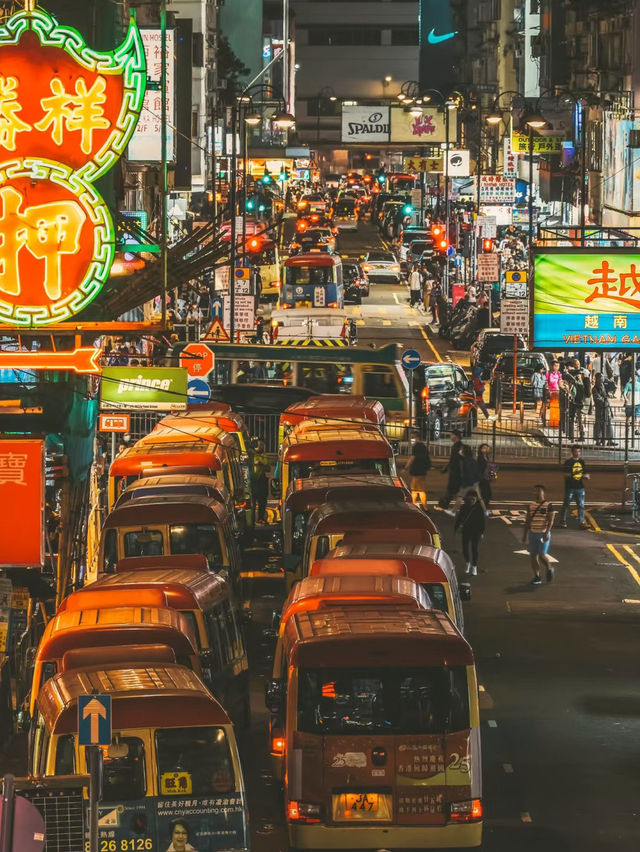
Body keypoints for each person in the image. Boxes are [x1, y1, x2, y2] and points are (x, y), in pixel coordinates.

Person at [523, 484, 556, 585]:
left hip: (543, 534)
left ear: (543, 493)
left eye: (538, 491)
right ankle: (537, 576)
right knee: (533, 555)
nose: (536, 493)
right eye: (535, 491)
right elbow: (527, 521)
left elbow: (551, 521)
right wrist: (525, 535)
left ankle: (549, 567)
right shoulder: (530, 506)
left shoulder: (549, 506)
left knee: (542, 555)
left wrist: (546, 533)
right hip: (533, 533)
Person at [454, 490, 486, 576]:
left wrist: (482, 532)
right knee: (465, 548)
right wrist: (456, 528)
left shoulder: (478, 508)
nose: (472, 500)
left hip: (475, 531)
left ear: (476, 499)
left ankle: (474, 566)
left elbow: (482, 521)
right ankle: (468, 562)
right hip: (466, 530)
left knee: (474, 549)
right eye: (470, 498)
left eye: (473, 498)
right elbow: (459, 518)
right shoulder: (464, 507)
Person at [559, 444, 590, 529]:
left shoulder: (582, 462)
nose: (578, 453)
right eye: (576, 451)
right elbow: (565, 475)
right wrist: (575, 474)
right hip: (570, 487)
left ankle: (581, 522)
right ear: (572, 452)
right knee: (566, 504)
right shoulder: (568, 462)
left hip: (580, 487)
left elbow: (586, 473)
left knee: (581, 505)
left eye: (579, 451)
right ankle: (563, 521)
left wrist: (586, 476)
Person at [440, 430, 463, 511]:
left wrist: (447, 468)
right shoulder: (457, 445)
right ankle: (445, 504)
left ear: (455, 436)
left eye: (451, 435)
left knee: (453, 489)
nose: (450, 437)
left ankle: (444, 504)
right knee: (454, 489)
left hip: (456, 471)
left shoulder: (458, 446)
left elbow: (456, 460)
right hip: (455, 470)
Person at [402, 441, 431, 507]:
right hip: (423, 471)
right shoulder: (424, 448)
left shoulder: (416, 447)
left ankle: (419, 506)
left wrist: (405, 468)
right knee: (420, 490)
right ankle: (423, 506)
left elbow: (411, 459)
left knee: (415, 490)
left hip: (417, 471)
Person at [592, 372, 615, 446]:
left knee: (608, 424)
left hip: (606, 408)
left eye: (603, 377)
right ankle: (598, 440)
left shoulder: (604, 385)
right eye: (601, 377)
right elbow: (597, 398)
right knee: (599, 424)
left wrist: (610, 381)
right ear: (597, 378)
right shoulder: (595, 388)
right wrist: (604, 401)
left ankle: (609, 440)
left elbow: (614, 387)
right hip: (600, 409)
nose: (602, 378)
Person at [251, 440, 270, 524]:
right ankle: (253, 519)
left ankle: (260, 518)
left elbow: (267, 465)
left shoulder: (262, 456)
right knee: (253, 503)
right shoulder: (252, 456)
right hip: (254, 483)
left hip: (260, 483)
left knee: (261, 503)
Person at [476, 443, 496, 514]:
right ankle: (483, 509)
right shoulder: (480, 458)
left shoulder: (486, 457)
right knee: (486, 493)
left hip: (486, 478)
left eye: (487, 448)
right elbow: (479, 469)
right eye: (484, 448)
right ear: (480, 449)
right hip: (482, 478)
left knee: (486, 493)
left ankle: (483, 508)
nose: (486, 449)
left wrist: (492, 473)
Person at [623, 368, 640, 435]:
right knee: (628, 416)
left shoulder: (639, 384)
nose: (635, 378)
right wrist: (626, 399)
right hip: (629, 403)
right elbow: (624, 392)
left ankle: (636, 429)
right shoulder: (628, 384)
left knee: (637, 416)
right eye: (634, 376)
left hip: (638, 403)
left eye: (636, 376)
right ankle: (627, 427)